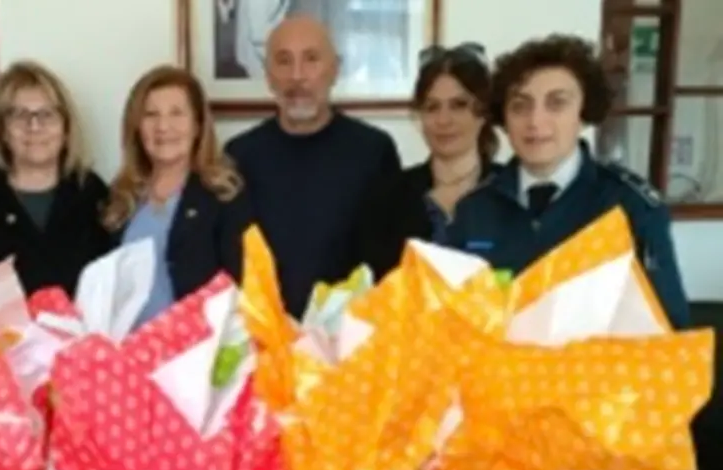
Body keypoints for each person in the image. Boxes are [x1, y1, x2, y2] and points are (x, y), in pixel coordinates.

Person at [446, 35, 690, 329]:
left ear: (583, 113)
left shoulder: (631, 206)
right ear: (504, 119)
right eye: (520, 106)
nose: (535, 121)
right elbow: (451, 320)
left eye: (556, 104)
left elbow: (668, 327)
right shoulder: (474, 210)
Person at [225, 14, 402, 317]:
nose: (297, 76)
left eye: (311, 59)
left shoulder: (374, 151)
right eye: (284, 61)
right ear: (268, 75)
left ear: (335, 70)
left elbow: (389, 266)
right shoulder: (239, 156)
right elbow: (232, 262)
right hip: (264, 331)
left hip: (351, 333)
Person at [102, 65, 253, 328]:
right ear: (136, 127)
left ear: (197, 125)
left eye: (177, 113)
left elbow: (242, 288)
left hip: (198, 348)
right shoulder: (120, 199)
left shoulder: (224, 196)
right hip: (125, 348)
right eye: (151, 115)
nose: (163, 126)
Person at [0, 60, 114, 295]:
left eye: (47, 115)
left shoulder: (90, 192)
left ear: (66, 128)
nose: (34, 126)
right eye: (20, 115)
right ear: (2, 130)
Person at [397, 43, 502, 251]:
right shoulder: (392, 194)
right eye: (432, 107)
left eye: (458, 105)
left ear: (483, 113)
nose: (443, 120)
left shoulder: (511, 191)